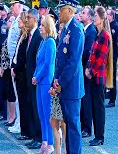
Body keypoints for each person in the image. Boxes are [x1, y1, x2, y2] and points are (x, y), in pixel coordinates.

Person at [50, 0, 84, 154]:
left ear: (70, 10)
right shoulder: (65, 29)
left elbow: (73, 61)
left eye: (61, 9)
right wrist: (55, 80)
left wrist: (61, 82)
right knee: (68, 124)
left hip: (71, 86)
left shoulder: (76, 30)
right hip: (63, 85)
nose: (59, 13)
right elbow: (60, 59)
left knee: (73, 126)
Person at [85, 6, 113, 146]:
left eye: (96, 15)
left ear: (102, 18)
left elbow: (101, 58)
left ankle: (100, 136)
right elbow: (92, 56)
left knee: (99, 107)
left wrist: (91, 71)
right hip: (94, 76)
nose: (94, 17)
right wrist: (88, 68)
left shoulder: (105, 36)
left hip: (98, 77)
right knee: (95, 106)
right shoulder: (98, 34)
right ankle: (97, 135)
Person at [32, 15, 57, 154]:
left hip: (46, 81)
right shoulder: (43, 41)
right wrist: (35, 76)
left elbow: (48, 64)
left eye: (42, 25)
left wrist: (38, 76)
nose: (40, 27)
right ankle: (44, 140)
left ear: (47, 27)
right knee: (41, 113)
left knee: (48, 114)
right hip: (39, 80)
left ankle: (51, 143)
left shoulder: (50, 42)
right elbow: (39, 61)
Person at [6, 0, 26, 132]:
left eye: (13, 5)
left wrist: (15, 63)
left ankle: (20, 123)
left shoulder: (21, 21)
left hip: (17, 62)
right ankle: (18, 121)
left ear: (19, 6)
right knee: (17, 94)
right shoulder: (15, 20)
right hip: (13, 61)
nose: (11, 7)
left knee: (19, 95)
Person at [24, 9, 42, 149]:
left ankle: (39, 137)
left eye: (29, 18)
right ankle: (33, 135)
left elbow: (38, 60)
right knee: (31, 106)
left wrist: (36, 76)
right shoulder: (30, 35)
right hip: (29, 77)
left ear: (35, 19)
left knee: (37, 109)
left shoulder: (38, 35)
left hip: (36, 78)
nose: (26, 20)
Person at [11, 12, 29, 137]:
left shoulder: (26, 36)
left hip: (21, 73)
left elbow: (22, 57)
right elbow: (16, 55)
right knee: (19, 100)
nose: (18, 23)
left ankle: (23, 127)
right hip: (16, 70)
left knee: (22, 101)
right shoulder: (21, 36)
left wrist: (15, 69)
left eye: (19, 21)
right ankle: (19, 124)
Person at [79, 6, 96, 138]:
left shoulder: (91, 31)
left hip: (86, 69)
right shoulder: (84, 30)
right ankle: (83, 125)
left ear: (89, 17)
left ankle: (87, 127)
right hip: (81, 69)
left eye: (83, 13)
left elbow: (87, 52)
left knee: (87, 99)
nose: (81, 15)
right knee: (83, 98)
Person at [50, 24, 66, 154]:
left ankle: (65, 150)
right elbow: (56, 67)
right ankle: (58, 151)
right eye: (59, 29)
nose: (60, 32)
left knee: (64, 123)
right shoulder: (58, 44)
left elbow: (67, 68)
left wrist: (58, 85)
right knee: (54, 121)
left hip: (64, 88)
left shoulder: (66, 46)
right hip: (56, 87)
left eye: (62, 29)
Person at [0, 15, 16, 126]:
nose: (7, 22)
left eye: (9, 21)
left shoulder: (11, 36)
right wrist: (1, 67)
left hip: (10, 68)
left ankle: (12, 116)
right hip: (5, 67)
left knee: (11, 94)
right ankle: (10, 116)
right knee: (8, 93)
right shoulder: (7, 36)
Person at [105, 8, 118, 108]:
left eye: (107, 14)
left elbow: (115, 44)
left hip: (112, 57)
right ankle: (109, 94)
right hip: (108, 56)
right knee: (108, 76)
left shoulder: (114, 26)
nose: (106, 16)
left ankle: (112, 99)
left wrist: (113, 57)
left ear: (111, 16)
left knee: (113, 77)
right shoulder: (109, 25)